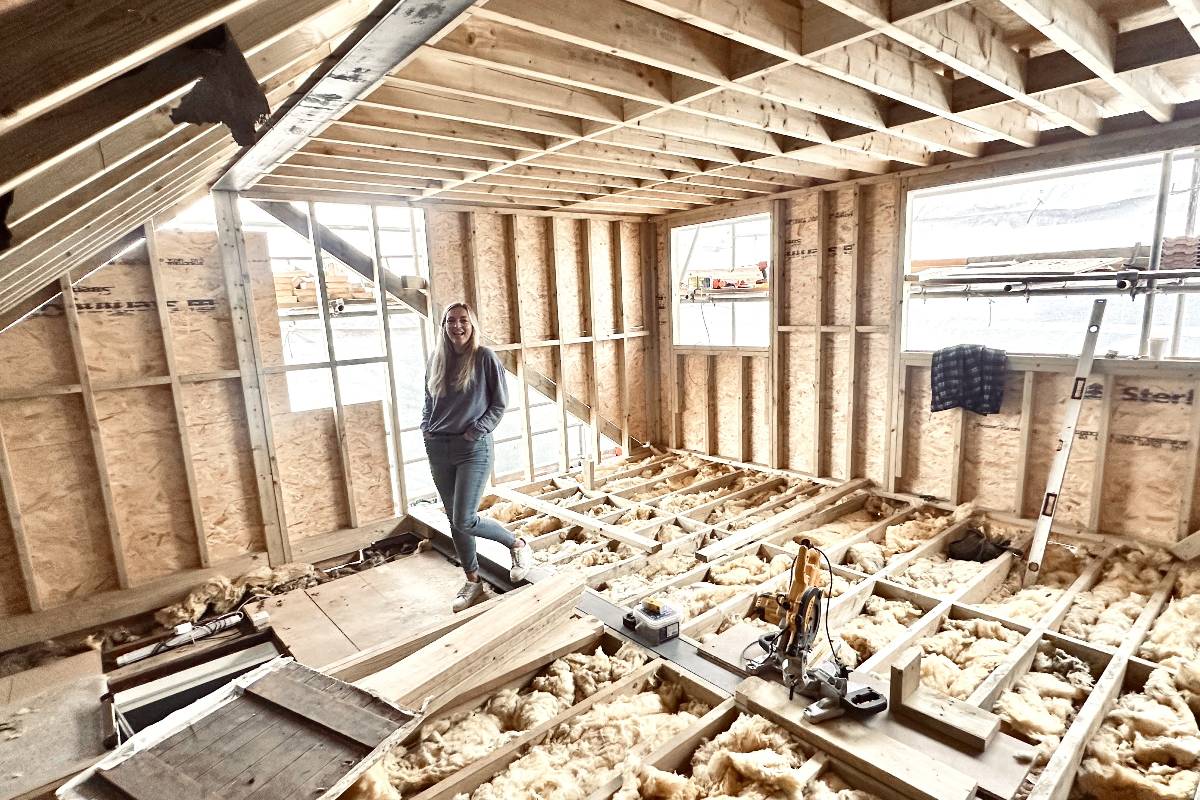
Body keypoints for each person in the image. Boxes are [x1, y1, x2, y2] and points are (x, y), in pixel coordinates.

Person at [422, 301, 533, 611]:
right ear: (443, 327)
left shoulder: (484, 357)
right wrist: (426, 429)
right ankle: (473, 583)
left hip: (472, 449)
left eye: (463, 321)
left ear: (472, 325)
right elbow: (428, 401)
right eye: (451, 321)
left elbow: (499, 403)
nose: (457, 326)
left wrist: (477, 430)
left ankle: (518, 544)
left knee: (464, 518)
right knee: (455, 522)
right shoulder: (436, 360)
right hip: (438, 448)